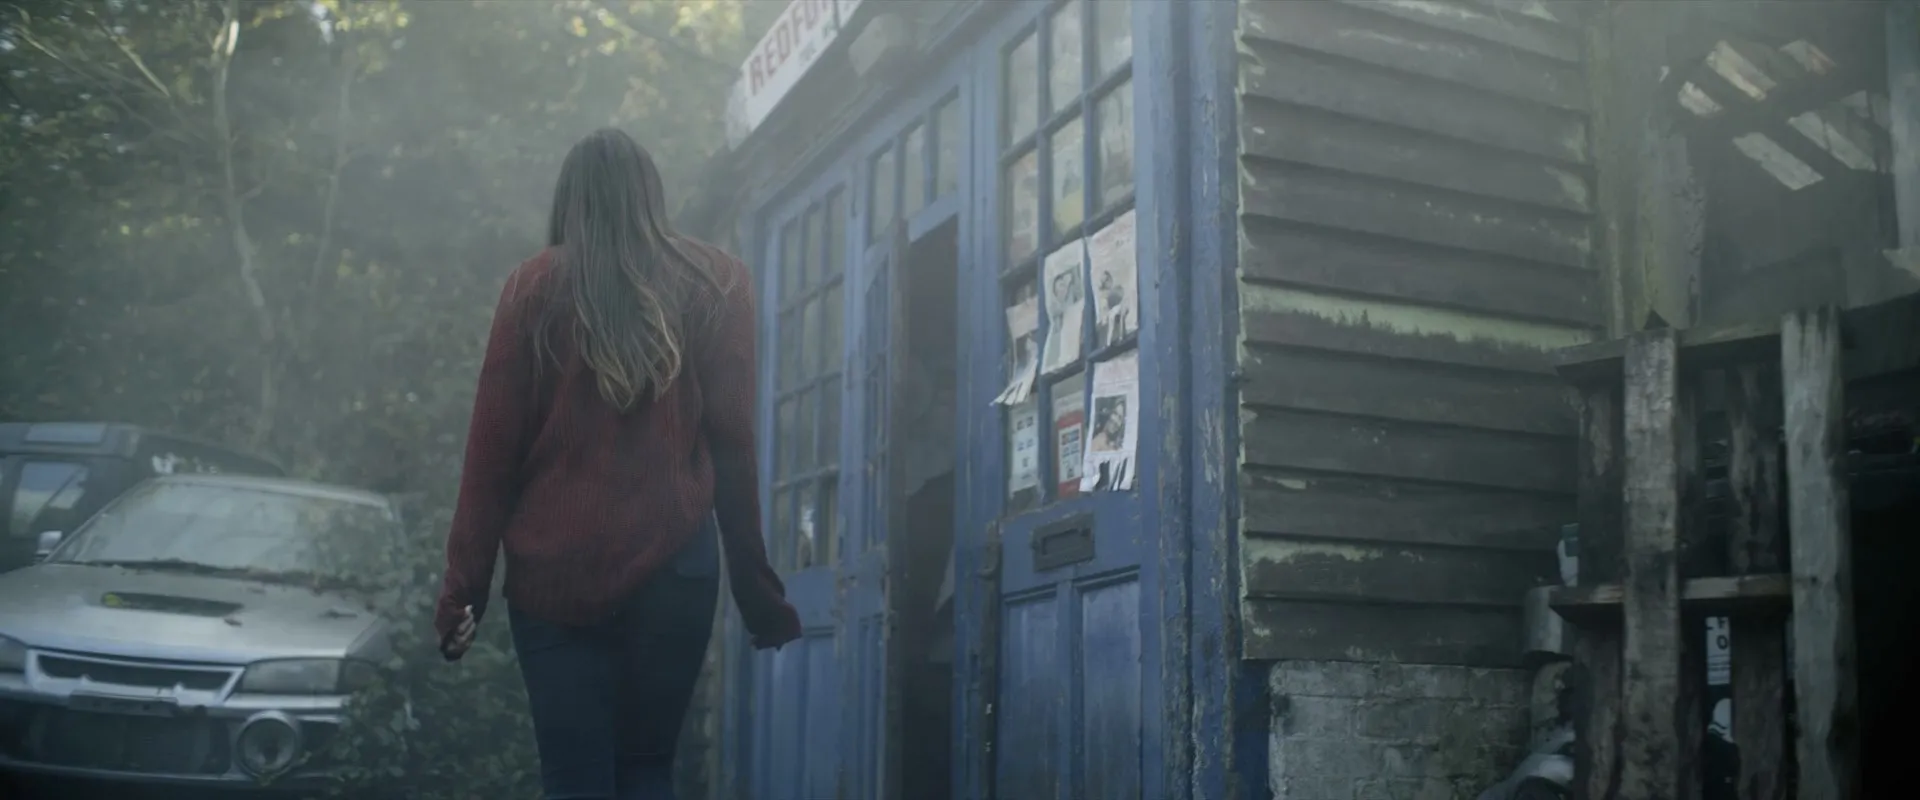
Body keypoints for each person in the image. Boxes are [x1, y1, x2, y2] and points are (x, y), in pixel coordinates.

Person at [435, 128, 800, 800]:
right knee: (647, 768)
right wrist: (759, 595)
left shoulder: (531, 286)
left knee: (572, 776)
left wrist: (464, 593)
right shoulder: (717, 282)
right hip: (676, 570)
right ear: (651, 195)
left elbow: (490, 455)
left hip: (553, 574)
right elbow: (734, 446)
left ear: (569, 200)